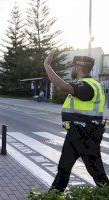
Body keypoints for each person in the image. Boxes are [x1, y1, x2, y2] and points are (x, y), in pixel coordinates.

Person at [44, 50, 109, 192]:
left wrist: (47, 65)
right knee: (63, 168)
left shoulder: (88, 86)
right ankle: (53, 195)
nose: (72, 70)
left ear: (78, 68)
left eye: (72, 67)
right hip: (76, 132)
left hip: (86, 135)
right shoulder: (87, 84)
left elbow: (62, 86)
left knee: (98, 175)